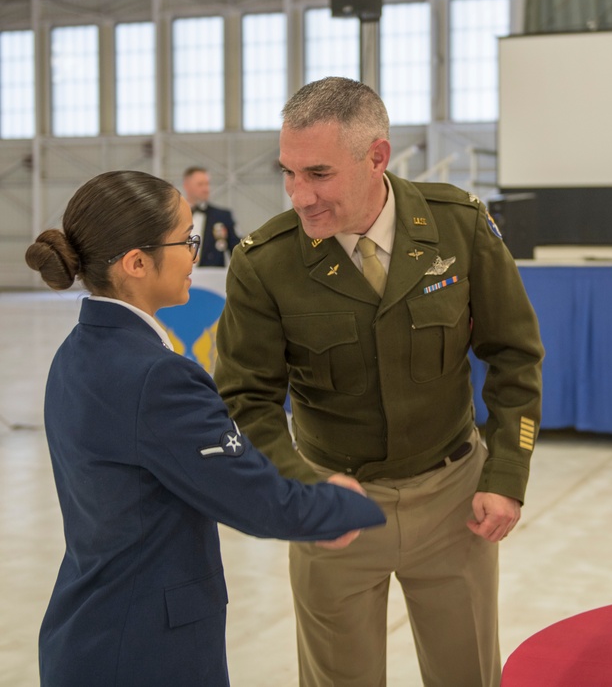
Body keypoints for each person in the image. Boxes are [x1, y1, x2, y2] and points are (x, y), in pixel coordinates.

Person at [213, 77, 544, 687]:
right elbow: (244, 399)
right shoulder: (266, 263)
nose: (299, 196)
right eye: (288, 173)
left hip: (454, 505)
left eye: (318, 173)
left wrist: (507, 477)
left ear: (377, 158)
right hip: (333, 508)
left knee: (467, 674)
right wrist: (302, 484)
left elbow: (515, 357)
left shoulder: (459, 227)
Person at [24, 169, 386, 687]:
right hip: (147, 650)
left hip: (89, 629)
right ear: (136, 263)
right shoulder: (158, 378)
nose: (196, 254)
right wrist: (364, 505)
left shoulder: (78, 352)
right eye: (186, 240)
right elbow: (258, 501)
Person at [182, 165, 240, 267]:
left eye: (207, 184)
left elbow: (237, 250)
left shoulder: (222, 216)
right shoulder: (174, 215)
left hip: (212, 279)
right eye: (200, 184)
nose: (206, 189)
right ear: (186, 186)